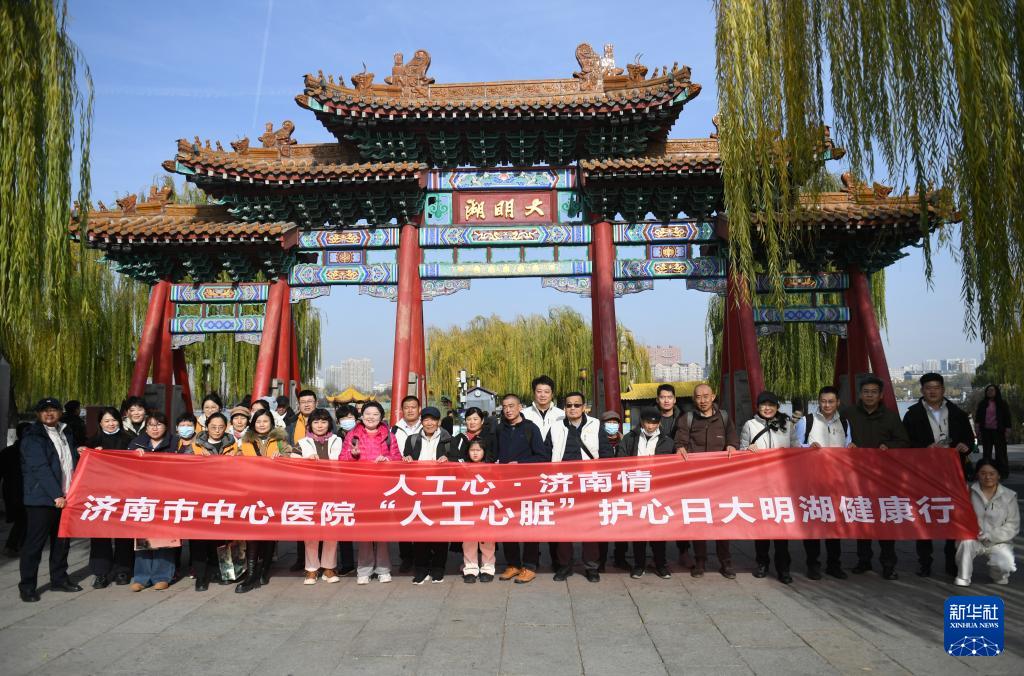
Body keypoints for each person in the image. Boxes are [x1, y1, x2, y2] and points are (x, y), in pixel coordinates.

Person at [904, 372, 975, 577]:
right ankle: (924, 563)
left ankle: (951, 562)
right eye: (928, 388)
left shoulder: (957, 413)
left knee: (951, 516)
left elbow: (969, 440)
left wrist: (965, 446)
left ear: (943, 389)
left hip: (953, 473)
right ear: (922, 390)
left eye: (936, 387)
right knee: (924, 515)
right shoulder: (912, 414)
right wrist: (924, 448)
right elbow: (905, 443)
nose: (932, 391)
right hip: (924, 473)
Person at [843, 376, 909, 580]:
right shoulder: (848, 414)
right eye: (866, 392)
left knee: (885, 520)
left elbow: (904, 442)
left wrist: (889, 446)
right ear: (860, 394)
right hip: (858, 476)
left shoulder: (890, 417)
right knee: (863, 518)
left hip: (884, 478)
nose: (869, 395)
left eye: (873, 392)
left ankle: (888, 564)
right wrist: (848, 446)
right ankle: (863, 561)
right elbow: (837, 436)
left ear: (881, 395)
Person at [18, 398, 81, 602]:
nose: (49, 413)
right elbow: (40, 468)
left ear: (60, 413)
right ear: (38, 414)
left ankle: (59, 579)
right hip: (42, 499)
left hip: (66, 496)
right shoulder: (33, 436)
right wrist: (56, 495)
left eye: (53, 409)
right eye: (44, 410)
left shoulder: (66, 432)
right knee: (34, 545)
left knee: (62, 542)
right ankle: (27, 586)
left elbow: (66, 460)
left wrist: (79, 452)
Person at [674, 383, 739, 578]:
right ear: (694, 399)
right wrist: (680, 448)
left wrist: (732, 446)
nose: (702, 400)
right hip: (696, 481)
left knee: (722, 520)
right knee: (699, 521)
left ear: (713, 396)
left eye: (706, 396)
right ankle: (700, 561)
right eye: (698, 397)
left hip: (720, 480)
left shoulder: (724, 418)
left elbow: (733, 439)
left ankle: (725, 562)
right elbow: (680, 441)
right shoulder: (687, 419)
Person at [549, 391, 613, 582]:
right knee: (563, 526)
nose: (573, 408)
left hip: (589, 482)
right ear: (564, 408)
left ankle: (591, 566)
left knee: (590, 526)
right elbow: (545, 454)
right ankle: (564, 565)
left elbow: (606, 453)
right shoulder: (555, 427)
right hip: (563, 482)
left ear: (584, 407)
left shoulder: (596, 425)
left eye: (577, 405)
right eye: (569, 405)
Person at [793, 386, 851, 581]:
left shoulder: (845, 422)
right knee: (813, 524)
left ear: (838, 403)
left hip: (836, 481)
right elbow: (794, 446)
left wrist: (852, 447)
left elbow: (848, 446)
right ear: (818, 401)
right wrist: (807, 447)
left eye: (831, 402)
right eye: (823, 401)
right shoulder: (806, 421)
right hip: (812, 481)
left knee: (835, 524)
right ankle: (813, 565)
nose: (827, 405)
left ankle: (834, 564)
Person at [233, 409, 292, 594]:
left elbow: (292, 459)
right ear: (253, 424)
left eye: (265, 421)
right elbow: (235, 462)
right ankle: (251, 573)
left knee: (270, 532)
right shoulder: (245, 442)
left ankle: (265, 569)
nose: (261, 424)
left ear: (271, 423)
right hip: (252, 493)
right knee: (252, 531)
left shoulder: (281, 441)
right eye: (258, 421)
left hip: (274, 492)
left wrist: (283, 458)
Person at [342, 401, 401, 584]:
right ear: (361, 416)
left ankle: (383, 568)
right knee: (364, 531)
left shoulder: (389, 435)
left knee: (382, 531)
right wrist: (353, 455)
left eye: (375, 414)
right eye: (367, 414)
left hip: (383, 489)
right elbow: (342, 460)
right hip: (360, 489)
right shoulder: (352, 435)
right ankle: (364, 569)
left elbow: (397, 459)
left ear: (381, 417)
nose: (371, 417)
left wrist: (387, 459)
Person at [738, 391, 794, 584]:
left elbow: (796, 450)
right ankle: (762, 563)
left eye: (771, 405)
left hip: (782, 484)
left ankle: (783, 568)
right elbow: (741, 451)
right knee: (762, 527)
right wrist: (747, 450)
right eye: (764, 405)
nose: (767, 408)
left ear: (777, 407)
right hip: (759, 484)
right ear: (758, 407)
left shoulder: (787, 425)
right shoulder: (750, 425)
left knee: (781, 529)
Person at [495, 393, 549, 584]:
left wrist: (520, 464)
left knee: (529, 524)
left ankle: (530, 566)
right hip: (504, 486)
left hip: (527, 485)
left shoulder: (530, 428)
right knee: (507, 524)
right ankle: (513, 564)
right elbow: (492, 454)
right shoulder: (498, 429)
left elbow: (542, 457)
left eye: (511, 406)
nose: (508, 410)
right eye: (504, 406)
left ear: (520, 407)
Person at [617, 407, 674, 580]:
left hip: (658, 490)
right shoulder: (630, 438)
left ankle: (660, 564)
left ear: (659, 423)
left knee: (658, 528)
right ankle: (639, 564)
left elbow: (673, 466)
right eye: (647, 422)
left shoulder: (667, 441)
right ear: (641, 422)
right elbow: (620, 460)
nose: (650, 426)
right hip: (636, 488)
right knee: (639, 528)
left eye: (654, 423)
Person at [127, 412, 181, 592]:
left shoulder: (175, 443)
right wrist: (133, 456)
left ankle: (162, 576)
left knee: (164, 537)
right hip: (143, 496)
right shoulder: (137, 443)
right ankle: (141, 577)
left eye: (158, 424)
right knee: (142, 538)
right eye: (151, 425)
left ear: (166, 426)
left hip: (167, 497)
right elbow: (124, 466)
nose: (155, 428)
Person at [403, 407, 455, 584]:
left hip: (441, 491)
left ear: (438, 422)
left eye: (433, 419)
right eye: (426, 420)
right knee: (420, 531)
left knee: (441, 531)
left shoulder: (449, 440)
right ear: (422, 422)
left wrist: (449, 461)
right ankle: (421, 568)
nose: (430, 423)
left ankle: (439, 567)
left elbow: (458, 463)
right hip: (418, 491)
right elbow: (405, 460)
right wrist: (406, 460)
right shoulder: (412, 440)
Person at [85, 407, 134, 588]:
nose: (111, 424)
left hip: (123, 492)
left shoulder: (129, 440)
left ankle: (123, 570)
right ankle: (100, 573)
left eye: (114, 420)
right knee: (100, 534)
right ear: (100, 423)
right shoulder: (91, 442)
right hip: (100, 494)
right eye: (106, 421)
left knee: (123, 533)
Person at [954, 459, 1019, 587]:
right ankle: (963, 577)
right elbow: (958, 515)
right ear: (977, 474)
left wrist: (990, 535)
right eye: (983, 473)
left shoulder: (1009, 496)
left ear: (998, 475)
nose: (987, 477)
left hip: (999, 541)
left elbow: (1013, 525)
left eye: (992, 473)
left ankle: (998, 575)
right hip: (973, 538)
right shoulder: (968, 492)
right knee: (965, 544)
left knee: (1003, 568)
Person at [297, 409, 344, 586]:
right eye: (316, 422)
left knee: (332, 530)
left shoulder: (338, 440)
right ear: (310, 425)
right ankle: (311, 568)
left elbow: (345, 460)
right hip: (310, 492)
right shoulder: (302, 443)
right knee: (310, 531)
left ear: (329, 424)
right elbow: (291, 464)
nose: (320, 425)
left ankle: (329, 567)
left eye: (324, 422)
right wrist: (306, 461)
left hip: (333, 490)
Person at [188, 412, 234, 591]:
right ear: (206, 427)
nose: (217, 430)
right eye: (213, 427)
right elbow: (182, 468)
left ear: (226, 427)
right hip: (200, 497)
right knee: (199, 538)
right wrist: (199, 462)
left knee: (222, 537)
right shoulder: (195, 446)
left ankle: (223, 571)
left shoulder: (233, 445)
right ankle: (201, 576)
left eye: (221, 427)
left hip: (224, 497)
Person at [522, 375, 564, 568]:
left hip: (556, 474)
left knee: (556, 517)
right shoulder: (524, 414)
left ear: (552, 394)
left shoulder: (562, 415)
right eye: (539, 391)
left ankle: (557, 559)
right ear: (534, 393)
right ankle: (531, 561)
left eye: (546, 391)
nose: (542, 395)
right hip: (531, 473)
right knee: (532, 516)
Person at [286, 390, 319, 571]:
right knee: (302, 515)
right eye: (303, 402)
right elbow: (285, 445)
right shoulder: (291, 423)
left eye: (309, 401)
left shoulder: (324, 421)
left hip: (320, 478)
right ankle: (302, 559)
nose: (306, 404)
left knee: (320, 517)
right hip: (298, 476)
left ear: (316, 403)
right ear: (298, 404)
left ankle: (321, 559)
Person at [391, 395, 422, 573]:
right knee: (403, 518)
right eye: (406, 407)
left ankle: (422, 556)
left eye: (413, 407)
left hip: (422, 480)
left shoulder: (427, 425)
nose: (410, 410)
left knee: (421, 517)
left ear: (419, 409)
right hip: (401, 481)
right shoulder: (394, 430)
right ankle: (406, 557)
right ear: (402, 410)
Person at [461, 439, 496, 583]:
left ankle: (488, 567)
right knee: (468, 539)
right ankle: (470, 568)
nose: (475, 453)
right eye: (472, 450)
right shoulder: (462, 468)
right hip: (468, 509)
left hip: (486, 509)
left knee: (487, 539)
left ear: (484, 452)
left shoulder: (492, 468)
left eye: (478, 450)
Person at [599, 411, 627, 571]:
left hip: (621, 490)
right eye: (608, 422)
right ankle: (600, 560)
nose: (612, 425)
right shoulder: (597, 440)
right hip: (603, 489)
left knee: (622, 526)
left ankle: (620, 558)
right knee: (602, 526)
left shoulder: (626, 440)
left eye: (615, 422)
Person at [331, 405, 358, 576]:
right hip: (339, 484)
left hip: (361, 484)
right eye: (343, 418)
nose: (347, 421)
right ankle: (347, 562)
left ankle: (371, 562)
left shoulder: (362, 434)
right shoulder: (335, 437)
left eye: (350, 417)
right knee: (342, 521)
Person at [1, 422, 31, 558]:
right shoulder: (24, 452)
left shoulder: (8, 451)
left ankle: (15, 546)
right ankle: (12, 546)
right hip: (18, 490)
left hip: (14, 490)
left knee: (22, 520)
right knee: (23, 519)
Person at [974, 384, 1012, 477]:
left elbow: (1007, 417)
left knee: (1001, 453)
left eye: (992, 390)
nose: (989, 392)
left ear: (996, 392)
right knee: (987, 453)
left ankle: (1002, 472)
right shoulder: (982, 404)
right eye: (988, 390)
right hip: (986, 431)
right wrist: (977, 430)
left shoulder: (1002, 403)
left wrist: (1007, 430)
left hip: (999, 431)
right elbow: (978, 418)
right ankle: (987, 472)